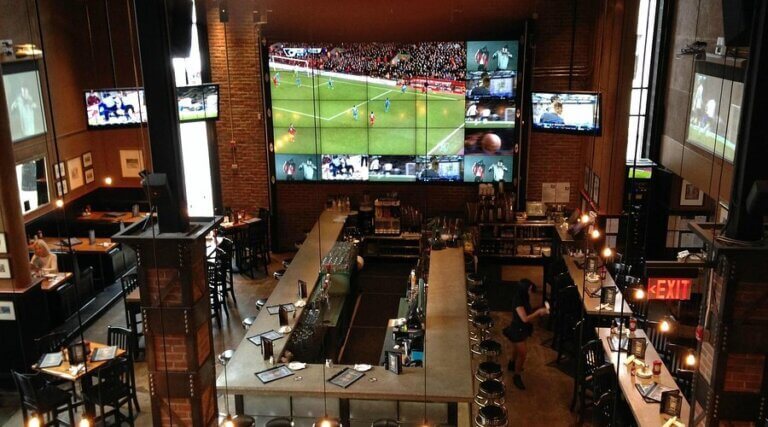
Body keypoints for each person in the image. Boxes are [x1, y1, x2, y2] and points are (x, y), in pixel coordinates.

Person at [503, 280, 549, 390]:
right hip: (517, 329)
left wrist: (539, 309)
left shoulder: (524, 297)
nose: (531, 291)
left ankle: (512, 364)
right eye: (529, 289)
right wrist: (538, 313)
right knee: (523, 354)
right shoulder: (518, 301)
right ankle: (517, 375)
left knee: (517, 348)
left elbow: (527, 312)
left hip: (522, 329)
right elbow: (524, 319)